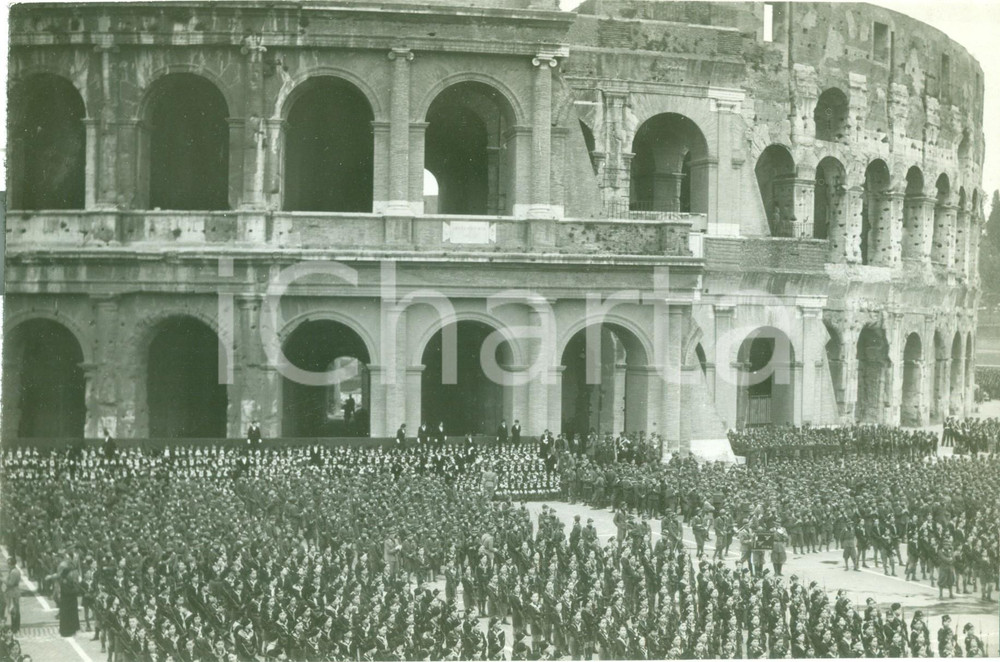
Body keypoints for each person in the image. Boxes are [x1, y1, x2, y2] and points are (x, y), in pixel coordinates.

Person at [58, 566, 80, 638]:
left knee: (72, 616)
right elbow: (67, 591)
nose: (71, 574)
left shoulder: (70, 580)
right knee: (67, 616)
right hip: (66, 603)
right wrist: (76, 590)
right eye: (70, 573)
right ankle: (67, 631)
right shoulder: (64, 581)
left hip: (72, 602)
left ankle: (72, 629)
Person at [5, 558, 20, 634]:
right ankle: (15, 626)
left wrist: (3, 580)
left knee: (14, 609)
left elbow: (11, 583)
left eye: (9, 564)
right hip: (13, 591)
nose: (8, 565)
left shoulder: (14, 572)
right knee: (14, 609)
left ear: (12, 564)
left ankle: (15, 627)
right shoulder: (12, 571)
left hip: (13, 592)